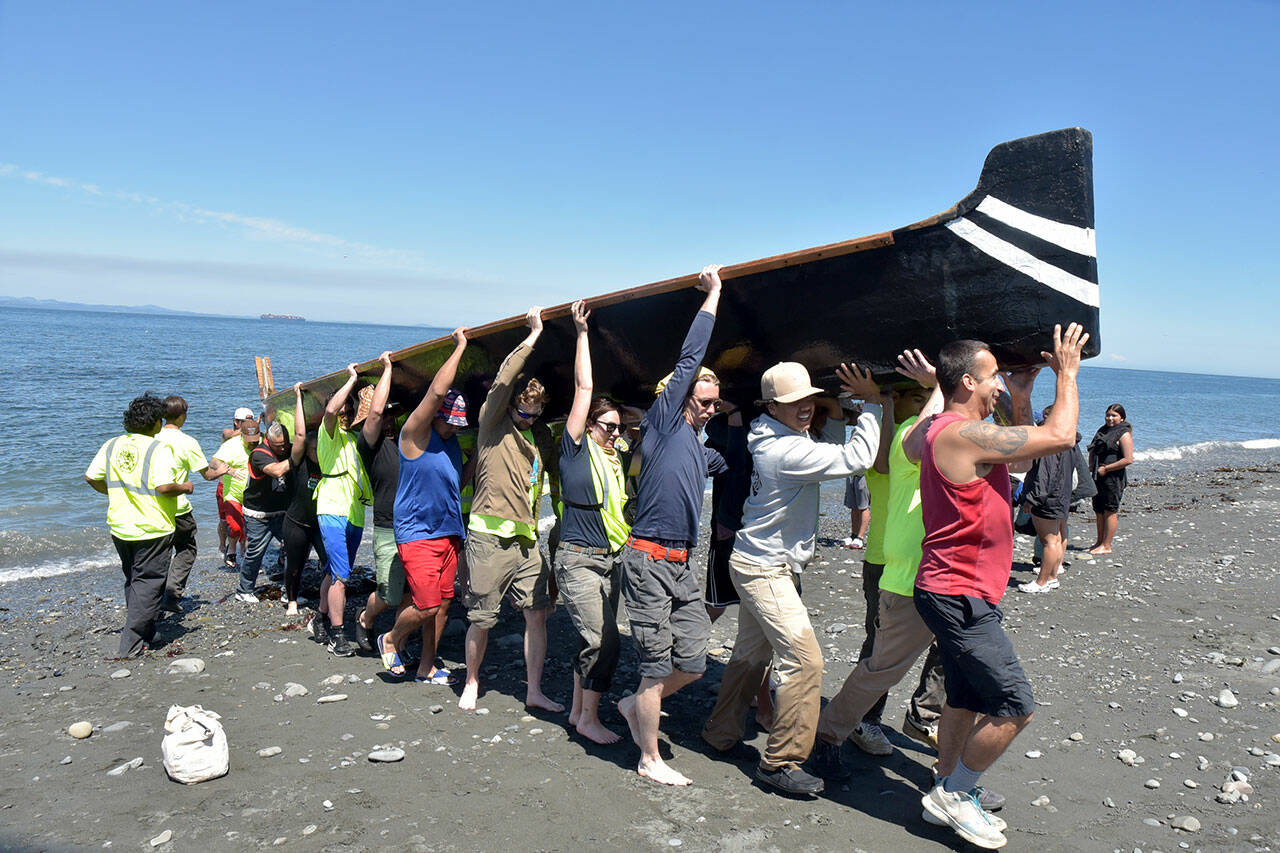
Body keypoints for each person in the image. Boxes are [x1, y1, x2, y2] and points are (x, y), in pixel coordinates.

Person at [911, 325, 1087, 850]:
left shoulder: (946, 431)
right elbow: (1060, 438)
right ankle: (957, 794)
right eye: (994, 381)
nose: (999, 389)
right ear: (967, 380)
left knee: (964, 697)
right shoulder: (959, 434)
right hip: (957, 590)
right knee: (1014, 704)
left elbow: (1027, 458)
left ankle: (946, 783)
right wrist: (1067, 374)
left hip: (958, 588)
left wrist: (1026, 394)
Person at [700, 360, 881, 795]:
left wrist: (844, 409)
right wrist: (873, 404)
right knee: (806, 661)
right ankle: (780, 762)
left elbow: (829, 439)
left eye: (808, 399)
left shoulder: (775, 434)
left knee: (749, 655)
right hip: (765, 569)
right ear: (770, 405)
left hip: (756, 561)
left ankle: (720, 733)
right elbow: (857, 457)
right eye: (792, 401)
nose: (804, 407)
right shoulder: (783, 450)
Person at [809, 353, 974, 798]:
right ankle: (849, 726)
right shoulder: (905, 438)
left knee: (955, 664)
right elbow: (886, 462)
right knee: (880, 659)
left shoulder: (945, 439)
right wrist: (884, 400)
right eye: (918, 398)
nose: (929, 404)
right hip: (893, 567)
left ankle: (937, 746)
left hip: (947, 574)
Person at [616, 264, 730, 787]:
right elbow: (689, 359)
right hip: (647, 561)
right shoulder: (662, 423)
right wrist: (714, 296)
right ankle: (648, 758)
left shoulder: (698, 449)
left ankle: (634, 707)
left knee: (694, 661)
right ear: (680, 397)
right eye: (703, 401)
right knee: (655, 668)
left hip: (683, 563)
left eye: (715, 403)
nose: (709, 409)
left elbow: (731, 466)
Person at [458, 307, 560, 712]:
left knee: (538, 614)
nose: (527, 419)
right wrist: (533, 337)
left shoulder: (538, 437)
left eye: (534, 414)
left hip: (526, 541)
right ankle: (471, 681)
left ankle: (533, 690)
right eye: (522, 411)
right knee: (482, 618)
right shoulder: (492, 425)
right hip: (487, 539)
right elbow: (502, 380)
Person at [553, 301, 631, 744]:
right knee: (604, 641)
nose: (614, 434)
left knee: (593, 640)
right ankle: (588, 719)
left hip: (611, 558)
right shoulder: (575, 451)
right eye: (608, 427)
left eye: (619, 428)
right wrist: (581, 332)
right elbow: (584, 389)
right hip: (579, 560)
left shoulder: (614, 462)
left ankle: (579, 713)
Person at [379, 331, 470, 683]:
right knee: (427, 604)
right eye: (449, 421)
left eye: (457, 424)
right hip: (417, 533)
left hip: (449, 533)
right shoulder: (415, 435)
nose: (452, 428)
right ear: (435, 416)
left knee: (444, 605)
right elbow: (434, 392)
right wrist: (460, 348)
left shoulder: (452, 444)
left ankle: (426, 667)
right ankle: (390, 638)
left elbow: (454, 486)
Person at [84, 393, 194, 657]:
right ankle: (130, 643)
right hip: (153, 526)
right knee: (149, 582)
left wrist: (113, 492)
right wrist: (186, 486)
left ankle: (146, 630)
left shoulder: (112, 444)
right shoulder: (158, 449)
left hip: (120, 525)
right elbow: (165, 487)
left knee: (133, 580)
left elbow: (91, 478)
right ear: (156, 423)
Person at [310, 364, 374, 657]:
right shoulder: (329, 434)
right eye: (343, 408)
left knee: (333, 571)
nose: (346, 412)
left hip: (355, 513)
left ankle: (320, 619)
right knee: (342, 577)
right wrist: (352, 380)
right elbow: (331, 412)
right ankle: (338, 635)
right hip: (332, 508)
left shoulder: (353, 438)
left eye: (351, 408)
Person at [353, 353, 406, 654]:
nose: (387, 419)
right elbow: (372, 417)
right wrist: (387, 370)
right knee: (388, 593)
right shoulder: (368, 445)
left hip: (412, 526)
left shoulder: (405, 443)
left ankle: (399, 642)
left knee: (410, 591)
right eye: (383, 414)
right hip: (387, 526)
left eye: (391, 414)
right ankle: (365, 618)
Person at [154, 395, 227, 612]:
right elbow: (206, 475)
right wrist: (221, 470)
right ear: (183, 416)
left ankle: (153, 598)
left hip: (151, 507)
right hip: (178, 506)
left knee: (158, 554)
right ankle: (171, 594)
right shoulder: (188, 442)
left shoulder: (151, 437)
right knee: (186, 550)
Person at [236, 415, 303, 602]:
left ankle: (289, 592)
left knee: (293, 549)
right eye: (278, 446)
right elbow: (277, 471)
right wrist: (297, 456)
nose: (283, 448)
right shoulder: (259, 453)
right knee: (256, 551)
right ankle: (244, 590)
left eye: (285, 445)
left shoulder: (288, 448)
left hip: (282, 511)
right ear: (268, 439)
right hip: (258, 513)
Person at [1018, 404, 1079, 593]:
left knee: (1049, 540)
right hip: (1061, 494)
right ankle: (1051, 576)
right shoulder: (1067, 439)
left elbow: (1044, 475)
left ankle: (1043, 581)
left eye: (1045, 418)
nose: (1041, 422)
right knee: (1055, 536)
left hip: (1049, 497)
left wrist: (1032, 499)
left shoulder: (1051, 442)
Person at [282, 384, 327, 616]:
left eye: (321, 448)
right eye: (313, 448)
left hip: (319, 524)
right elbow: (299, 434)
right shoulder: (299, 463)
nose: (317, 452)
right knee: (295, 565)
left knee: (329, 563)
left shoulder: (329, 465)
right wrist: (298, 397)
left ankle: (326, 600)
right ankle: (292, 602)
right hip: (296, 523)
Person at [211, 417, 260, 572]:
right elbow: (213, 462)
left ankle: (246, 557)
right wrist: (230, 470)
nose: (253, 443)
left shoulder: (264, 440)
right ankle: (231, 551)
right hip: (233, 494)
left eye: (255, 440)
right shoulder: (231, 445)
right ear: (241, 436)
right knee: (235, 526)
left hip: (254, 494)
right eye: (249, 440)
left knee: (250, 528)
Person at [1086, 403, 1133, 555]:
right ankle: (1098, 542)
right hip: (1098, 475)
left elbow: (1128, 459)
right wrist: (1091, 465)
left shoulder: (1123, 433)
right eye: (1108, 415)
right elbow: (1093, 449)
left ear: (1122, 418)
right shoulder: (1102, 430)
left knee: (1110, 510)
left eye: (1114, 415)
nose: (1110, 418)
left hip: (1113, 477)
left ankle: (1107, 545)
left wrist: (1106, 468)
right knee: (1098, 510)